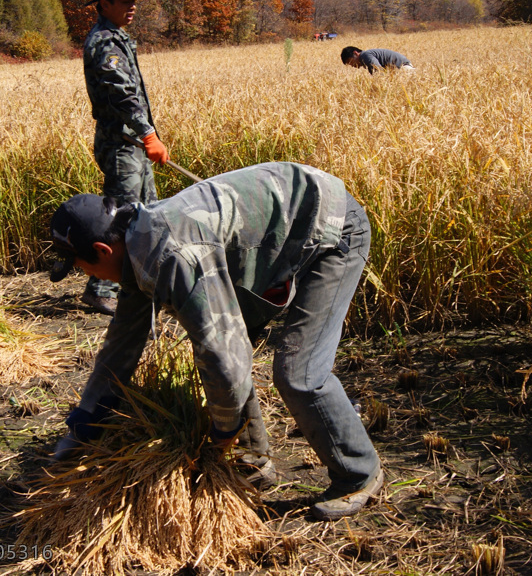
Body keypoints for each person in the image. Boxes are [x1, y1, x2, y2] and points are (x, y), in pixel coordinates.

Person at [47, 162, 384, 521]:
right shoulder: (133, 246)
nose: (84, 275)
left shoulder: (171, 254)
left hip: (329, 224)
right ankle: (252, 464)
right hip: (273, 235)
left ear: (102, 250)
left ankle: (358, 474)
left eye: (80, 266)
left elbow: (223, 353)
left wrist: (221, 433)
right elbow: (121, 344)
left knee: (298, 373)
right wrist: (85, 420)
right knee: (224, 357)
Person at [79, 0, 171, 316]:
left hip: (131, 142)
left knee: (149, 213)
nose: (132, 7)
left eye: (134, 0)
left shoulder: (117, 37)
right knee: (122, 216)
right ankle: (100, 288)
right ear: (105, 5)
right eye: (125, 1)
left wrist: (146, 136)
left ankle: (151, 282)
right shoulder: (104, 42)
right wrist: (148, 135)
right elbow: (122, 92)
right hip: (121, 144)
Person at [340, 46, 414, 74]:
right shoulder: (366, 58)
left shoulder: (365, 56)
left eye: (351, 62)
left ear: (355, 53)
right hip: (401, 70)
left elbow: (379, 73)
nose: (352, 66)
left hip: (403, 70)